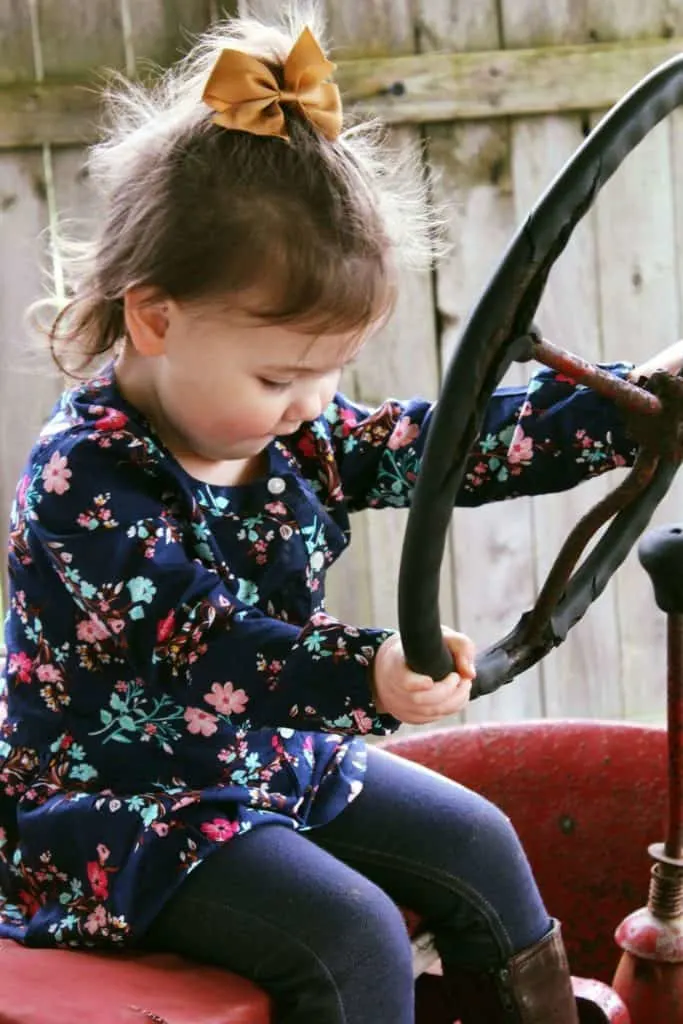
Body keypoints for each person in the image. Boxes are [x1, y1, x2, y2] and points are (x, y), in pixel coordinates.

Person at [0, 6, 681, 1023]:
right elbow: (205, 648)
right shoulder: (85, 480)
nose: (311, 403)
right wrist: (365, 672)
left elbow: (437, 447)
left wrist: (626, 406)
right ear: (153, 317)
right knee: (349, 934)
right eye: (281, 372)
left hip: (271, 765)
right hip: (121, 806)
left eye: (329, 374)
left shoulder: (287, 434)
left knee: (478, 841)